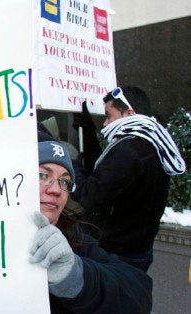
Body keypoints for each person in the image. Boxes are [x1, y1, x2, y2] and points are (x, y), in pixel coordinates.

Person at [32, 135, 152, 313]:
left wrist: (75, 277)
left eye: (64, 181)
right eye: (42, 175)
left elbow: (139, 296)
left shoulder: (75, 241)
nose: (56, 189)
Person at [71, 86, 186, 271]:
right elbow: (105, 174)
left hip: (116, 254)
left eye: (109, 115)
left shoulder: (129, 151)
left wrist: (71, 166)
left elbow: (89, 194)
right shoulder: (149, 142)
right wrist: (88, 132)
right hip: (135, 250)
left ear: (129, 113)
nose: (105, 123)